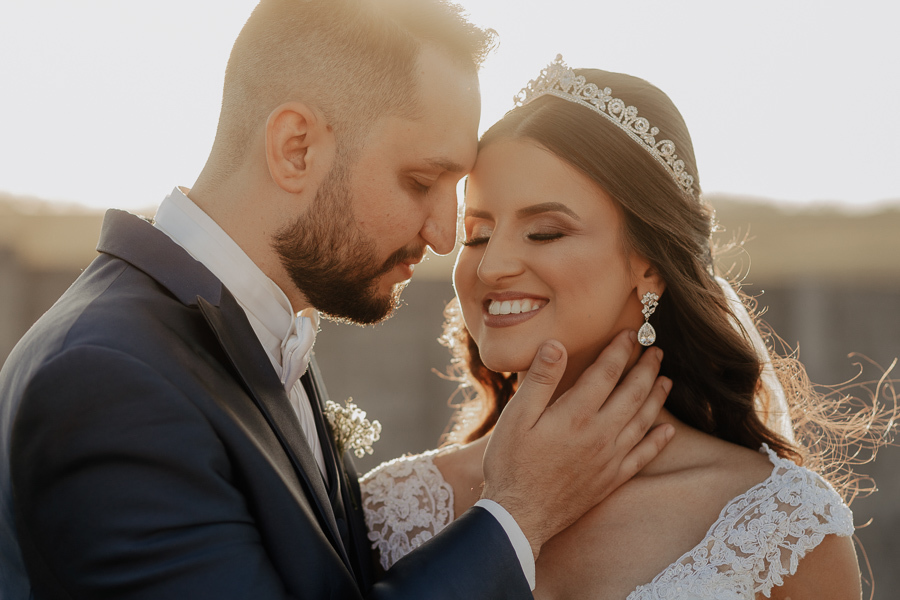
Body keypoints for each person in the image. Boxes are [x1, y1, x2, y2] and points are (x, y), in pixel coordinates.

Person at [0, 4, 676, 600]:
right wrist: (518, 514)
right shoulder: (109, 379)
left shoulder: (256, 338)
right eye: (421, 181)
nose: (445, 237)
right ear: (296, 148)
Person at [360, 56, 866, 599]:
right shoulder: (391, 510)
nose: (491, 267)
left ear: (649, 266)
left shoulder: (786, 526)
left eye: (545, 232)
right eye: (478, 235)